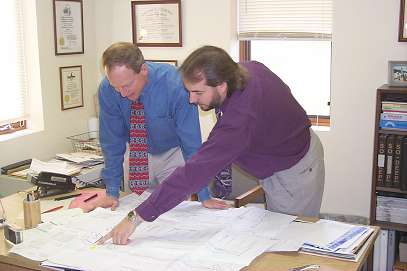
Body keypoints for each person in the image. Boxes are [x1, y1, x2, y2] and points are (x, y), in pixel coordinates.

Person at [99, 45, 325, 245]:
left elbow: (195, 171)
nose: (191, 100)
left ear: (222, 85)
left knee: (287, 241)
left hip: (294, 167)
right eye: (189, 91)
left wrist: (136, 217)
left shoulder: (240, 118)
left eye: (198, 92)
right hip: (277, 154)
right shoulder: (246, 70)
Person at [88, 42, 228, 212]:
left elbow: (191, 143)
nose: (122, 93)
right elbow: (112, 142)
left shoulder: (176, 85)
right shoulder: (107, 90)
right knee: (135, 214)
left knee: (171, 212)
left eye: (126, 85)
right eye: (115, 87)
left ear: (143, 70)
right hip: (136, 155)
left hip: (172, 154)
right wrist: (111, 191)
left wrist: (204, 195)